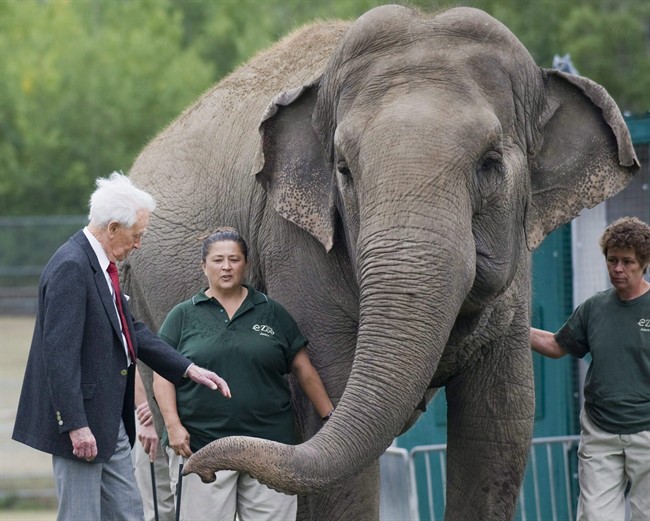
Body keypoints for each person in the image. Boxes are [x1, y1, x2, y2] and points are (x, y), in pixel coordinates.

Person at [12, 172, 231, 521]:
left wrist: (187, 368)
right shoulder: (72, 266)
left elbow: (132, 331)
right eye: (136, 235)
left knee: (130, 513)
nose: (139, 245)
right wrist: (74, 425)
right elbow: (59, 356)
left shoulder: (102, 266)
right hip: (81, 423)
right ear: (112, 228)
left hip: (110, 419)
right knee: (80, 516)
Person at [153, 227, 334, 521]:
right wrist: (173, 425)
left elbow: (304, 369)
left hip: (271, 447)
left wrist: (330, 418)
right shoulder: (182, 316)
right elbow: (162, 376)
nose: (226, 267)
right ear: (204, 266)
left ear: (246, 265)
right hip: (201, 446)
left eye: (234, 259)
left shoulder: (272, 312)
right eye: (218, 260)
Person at [530, 216, 650, 521]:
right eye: (612, 260)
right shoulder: (594, 308)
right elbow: (557, 346)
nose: (618, 269)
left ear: (644, 262)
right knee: (595, 517)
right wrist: (515, 327)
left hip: (646, 431)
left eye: (627, 262)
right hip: (600, 431)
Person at [133, 366, 175, 521]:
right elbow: (135, 361)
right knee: (161, 509)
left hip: (189, 417)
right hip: (153, 420)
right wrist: (148, 421)